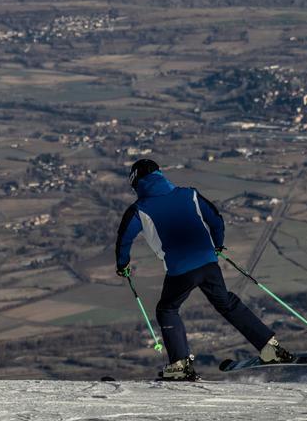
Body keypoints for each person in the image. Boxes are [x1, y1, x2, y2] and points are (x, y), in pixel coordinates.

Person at [115, 158, 293, 381]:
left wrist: (122, 265)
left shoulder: (138, 210)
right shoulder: (189, 194)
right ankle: (270, 348)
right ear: (161, 175)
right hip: (209, 263)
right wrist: (217, 245)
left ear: (136, 182)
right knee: (226, 302)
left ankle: (180, 365)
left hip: (181, 270)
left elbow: (124, 240)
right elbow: (216, 220)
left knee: (167, 309)